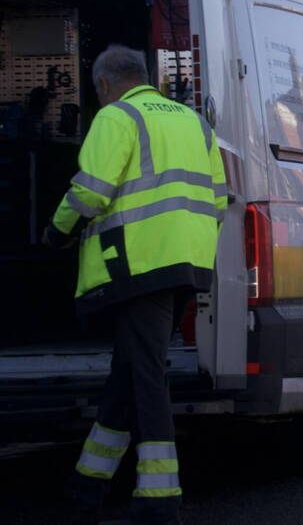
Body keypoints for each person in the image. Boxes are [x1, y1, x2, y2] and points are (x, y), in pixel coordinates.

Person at [43, 45, 227, 524]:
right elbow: (220, 197)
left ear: (104, 84)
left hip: (137, 267)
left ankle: (159, 500)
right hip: (187, 263)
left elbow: (89, 193)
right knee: (128, 374)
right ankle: (86, 487)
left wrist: (55, 232)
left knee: (145, 377)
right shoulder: (194, 122)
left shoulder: (116, 117)